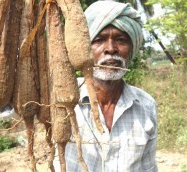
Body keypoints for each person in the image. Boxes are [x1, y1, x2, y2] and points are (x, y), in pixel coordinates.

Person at [54, 1, 158, 171]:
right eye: (99, 40)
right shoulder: (59, 96)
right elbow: (12, 110)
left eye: (121, 40)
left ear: (131, 48)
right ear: (84, 47)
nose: (111, 49)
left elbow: (148, 168)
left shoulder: (146, 106)